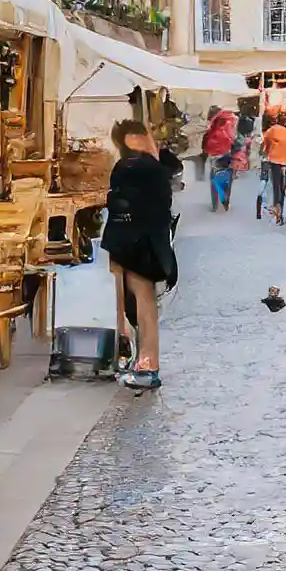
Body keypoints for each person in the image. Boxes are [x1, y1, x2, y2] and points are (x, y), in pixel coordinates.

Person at [102, 119, 176, 391]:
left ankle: (146, 364)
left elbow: (121, 203)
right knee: (140, 304)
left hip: (133, 243)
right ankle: (141, 360)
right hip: (141, 242)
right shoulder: (151, 166)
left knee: (139, 304)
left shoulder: (130, 167)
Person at [259, 116, 286, 225]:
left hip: (275, 161)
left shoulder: (272, 130)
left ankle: (277, 212)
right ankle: (281, 210)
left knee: (276, 187)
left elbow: (265, 144)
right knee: (282, 187)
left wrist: (265, 153)